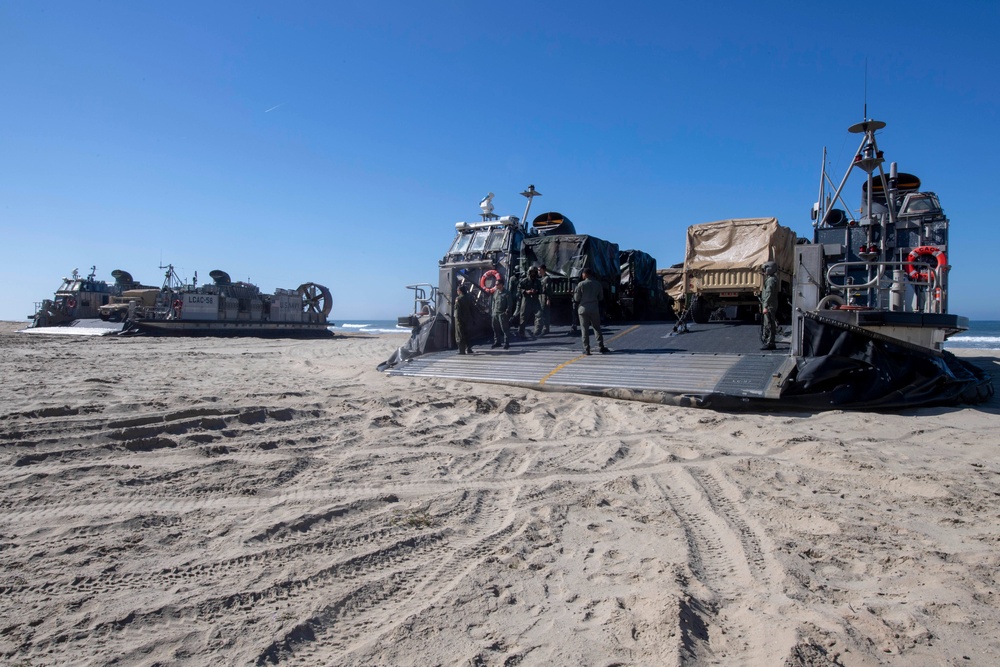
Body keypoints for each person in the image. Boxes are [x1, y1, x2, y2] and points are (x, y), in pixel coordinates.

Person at [573, 268, 609, 355]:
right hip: (594, 309)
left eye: (583, 274)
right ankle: (601, 346)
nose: (582, 275)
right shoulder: (597, 284)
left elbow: (576, 298)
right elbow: (601, 297)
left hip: (583, 309)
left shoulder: (581, 284)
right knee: (596, 327)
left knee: (584, 329)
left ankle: (587, 349)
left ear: (585, 274)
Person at [517, 267, 543, 339]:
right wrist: (526, 291)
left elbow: (541, 290)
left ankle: (537, 332)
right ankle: (521, 332)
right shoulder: (524, 281)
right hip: (526, 300)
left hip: (535, 299)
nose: (533, 274)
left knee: (539, 315)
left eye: (534, 272)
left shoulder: (538, 281)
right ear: (529, 272)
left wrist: (536, 291)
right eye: (532, 272)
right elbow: (519, 288)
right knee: (523, 316)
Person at [760, 261, 778, 351]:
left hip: (769, 305)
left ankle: (770, 342)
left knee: (769, 324)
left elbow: (769, 293)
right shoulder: (771, 278)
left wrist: (765, 306)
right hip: (770, 304)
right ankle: (769, 341)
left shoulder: (771, 280)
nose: (763, 271)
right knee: (768, 323)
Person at [490, 276, 512, 349]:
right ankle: (497, 342)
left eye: (497, 284)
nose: (496, 286)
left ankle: (506, 343)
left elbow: (509, 304)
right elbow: (493, 302)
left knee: (505, 329)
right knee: (495, 328)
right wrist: (493, 311)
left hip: (502, 313)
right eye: (495, 284)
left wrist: (506, 312)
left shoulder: (507, 293)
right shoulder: (496, 293)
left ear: (501, 285)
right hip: (495, 313)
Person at [454, 282, 475, 354]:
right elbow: (472, 309)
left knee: (460, 335)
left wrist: (458, 320)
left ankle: (461, 350)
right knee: (467, 334)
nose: (457, 292)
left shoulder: (458, 299)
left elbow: (457, 311)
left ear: (460, 291)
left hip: (460, 320)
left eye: (457, 290)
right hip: (468, 319)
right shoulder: (469, 298)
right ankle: (469, 348)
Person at [537, 264, 552, 335]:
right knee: (542, 312)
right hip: (540, 296)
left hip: (544, 297)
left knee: (544, 313)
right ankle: (544, 328)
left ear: (543, 270)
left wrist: (548, 299)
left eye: (539, 270)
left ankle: (545, 328)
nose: (538, 271)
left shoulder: (547, 278)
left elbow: (548, 290)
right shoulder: (541, 278)